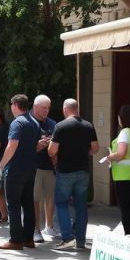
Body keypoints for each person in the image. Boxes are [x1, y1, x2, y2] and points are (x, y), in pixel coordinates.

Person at [49, 99, 98, 251]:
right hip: (83, 170)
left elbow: (52, 150)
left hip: (65, 171)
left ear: (65, 109)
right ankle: (81, 241)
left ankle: (67, 238)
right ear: (77, 109)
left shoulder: (60, 126)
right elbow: (95, 148)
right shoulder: (88, 125)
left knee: (61, 203)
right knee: (81, 206)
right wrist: (84, 153)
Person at [0, 94, 41, 250]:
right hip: (30, 168)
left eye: (11, 104)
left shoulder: (17, 123)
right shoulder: (34, 122)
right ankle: (29, 238)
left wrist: (1, 165)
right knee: (28, 203)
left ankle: (15, 240)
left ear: (15, 105)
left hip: (15, 169)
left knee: (13, 205)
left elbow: (12, 145)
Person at [103, 104, 130, 236]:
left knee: (126, 208)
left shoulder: (125, 132)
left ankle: (129, 234)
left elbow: (121, 153)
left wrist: (110, 156)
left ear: (123, 118)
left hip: (123, 176)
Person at [31, 95, 58, 243]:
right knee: (35, 200)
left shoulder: (52, 124)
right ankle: (36, 230)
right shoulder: (28, 123)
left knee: (50, 198)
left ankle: (50, 226)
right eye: (44, 108)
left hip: (49, 167)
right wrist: (36, 146)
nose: (47, 110)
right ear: (35, 107)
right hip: (34, 167)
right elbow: (21, 148)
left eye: (48, 108)